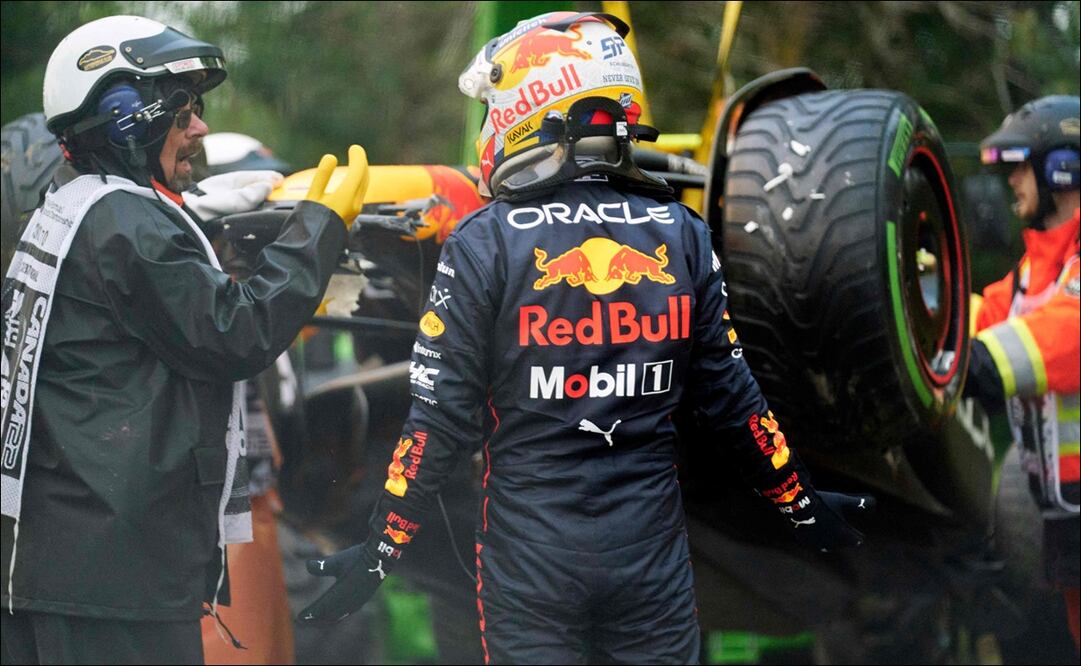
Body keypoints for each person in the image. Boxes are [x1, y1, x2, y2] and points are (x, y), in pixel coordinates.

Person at [295, 11, 871, 664]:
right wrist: (795, 501)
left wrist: (381, 547)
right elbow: (735, 402)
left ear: (531, 106)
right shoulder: (678, 232)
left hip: (530, 570)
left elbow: (439, 423)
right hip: (650, 565)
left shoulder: (484, 240)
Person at [0, 15, 369, 665]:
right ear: (126, 117)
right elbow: (237, 332)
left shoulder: (77, 204)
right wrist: (320, 229)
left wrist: (203, 218)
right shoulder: (124, 221)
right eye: (184, 112)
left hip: (62, 557)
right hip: (113, 571)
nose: (199, 128)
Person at [971, 95, 1080, 654]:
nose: (1011, 181)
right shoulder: (1031, 275)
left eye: (1021, 166)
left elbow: (1068, 329)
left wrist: (982, 362)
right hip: (1065, 513)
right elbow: (978, 320)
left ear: (1063, 169)